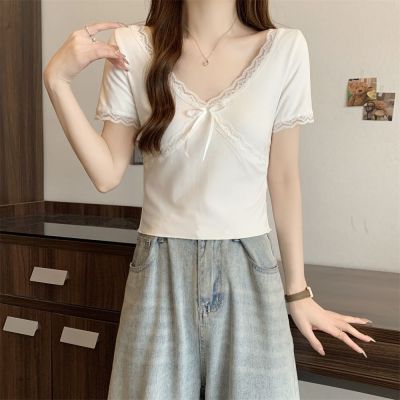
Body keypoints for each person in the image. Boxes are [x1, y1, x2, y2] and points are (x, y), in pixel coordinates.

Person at [43, 1, 376, 399]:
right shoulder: (131, 46)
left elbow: (284, 177)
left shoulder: (284, 49)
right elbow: (106, 174)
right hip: (160, 269)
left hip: (249, 269)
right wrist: (57, 81)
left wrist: (298, 292)